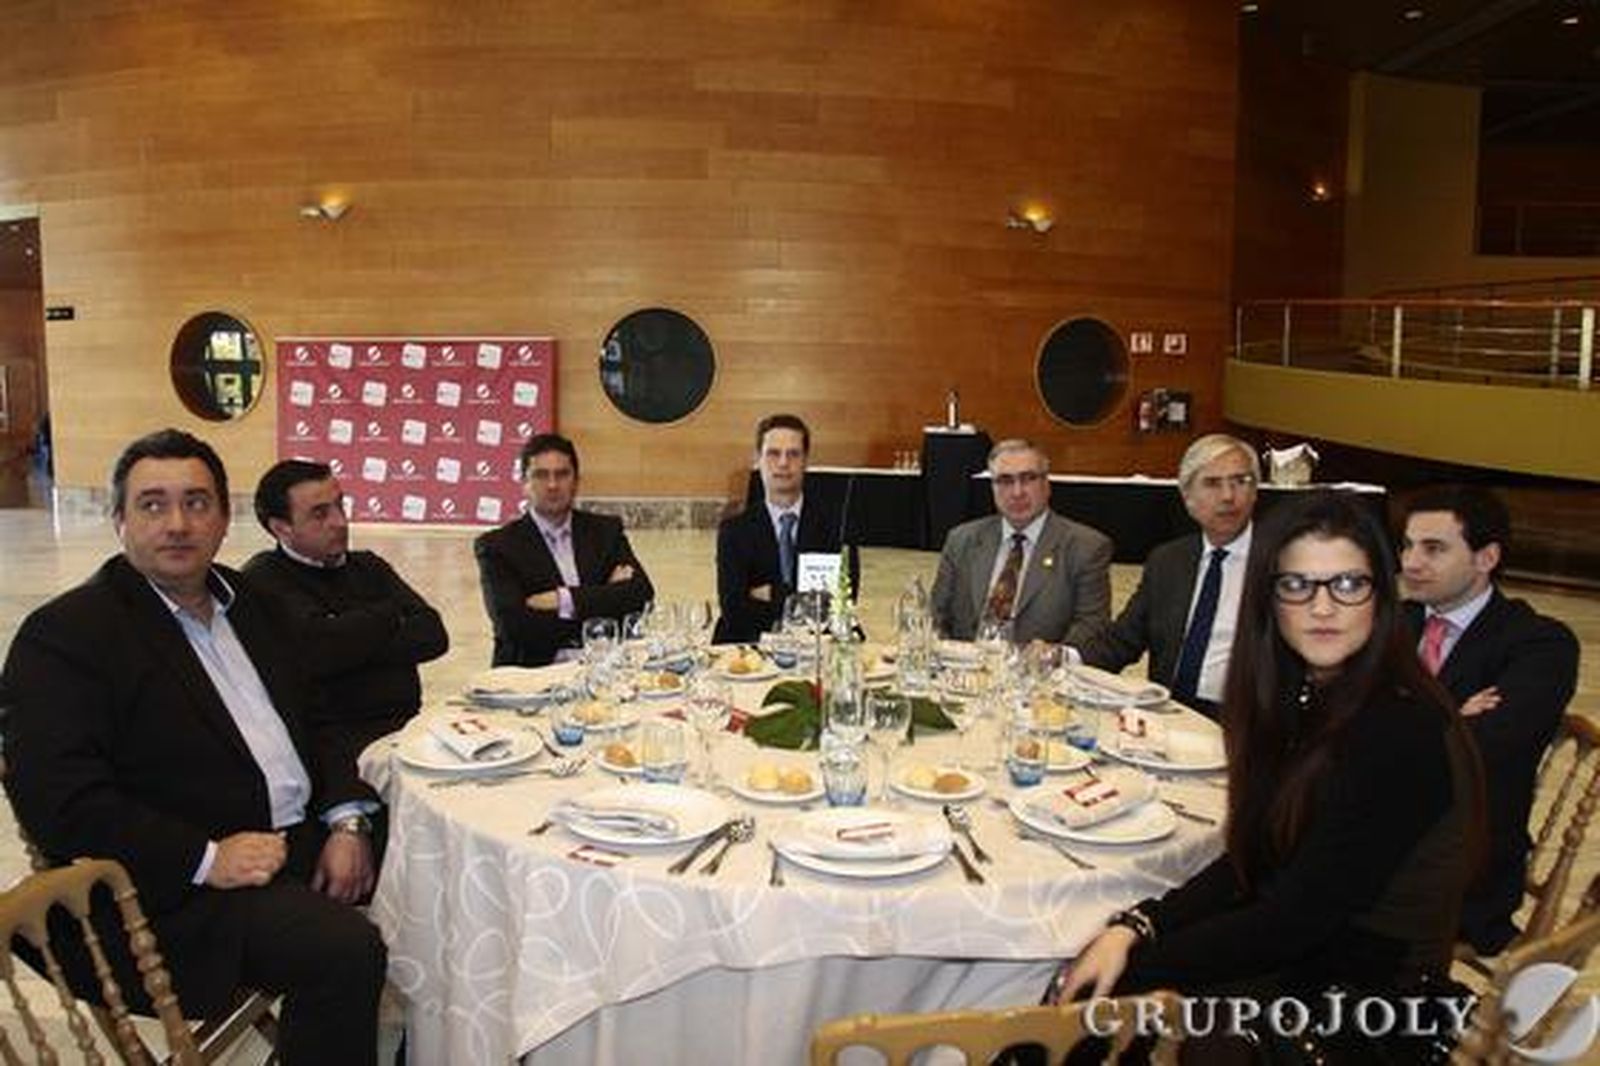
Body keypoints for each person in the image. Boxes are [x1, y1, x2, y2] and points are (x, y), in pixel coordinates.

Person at [0, 429, 387, 1066]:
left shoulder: (253, 602)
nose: (177, 523)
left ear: (222, 517)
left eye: (197, 503)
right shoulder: (67, 636)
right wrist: (207, 857)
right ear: (119, 519)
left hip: (298, 838)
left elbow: (321, 723)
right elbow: (60, 801)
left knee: (446, 852)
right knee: (343, 952)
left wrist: (347, 818)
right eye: (152, 504)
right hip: (175, 892)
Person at [1054, 491, 1482, 1059]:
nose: (1322, 608)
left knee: (1095, 999)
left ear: (1382, 595)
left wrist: (1139, 956)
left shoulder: (1399, 729)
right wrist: (1137, 925)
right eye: (1297, 585)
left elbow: (1290, 921)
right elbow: (1253, 858)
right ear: (1270, 599)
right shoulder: (1312, 697)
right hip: (1313, 953)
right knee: (1101, 971)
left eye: (1348, 584)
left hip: (1368, 1002)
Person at [1399, 484, 1579, 955]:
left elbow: (1481, 752)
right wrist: (1450, 717)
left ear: (1486, 557)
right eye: (1407, 545)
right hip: (1378, 829)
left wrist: (1396, 723)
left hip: (1463, 864)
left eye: (1433, 548)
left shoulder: (1540, 645)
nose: (1410, 562)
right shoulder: (1396, 622)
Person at [245, 458, 448, 774]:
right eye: (319, 514)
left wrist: (346, 634)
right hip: (332, 750)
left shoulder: (368, 565)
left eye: (340, 505)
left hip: (407, 731)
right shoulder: (265, 579)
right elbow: (320, 650)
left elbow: (433, 635)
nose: (339, 522)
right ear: (281, 528)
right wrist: (390, 614)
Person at [1077, 434, 1259, 718]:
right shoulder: (1168, 560)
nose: (1228, 496)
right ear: (1188, 497)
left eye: (1240, 481)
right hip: (1169, 715)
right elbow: (1120, 642)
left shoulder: (1282, 562)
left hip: (1247, 721)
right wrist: (1063, 662)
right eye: (1212, 483)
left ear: (1255, 491)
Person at [475, 432, 654, 666]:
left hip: (605, 669)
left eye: (562, 474)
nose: (552, 485)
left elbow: (641, 595)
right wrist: (604, 599)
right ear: (524, 484)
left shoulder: (606, 531)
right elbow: (515, 628)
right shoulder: (498, 546)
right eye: (541, 475)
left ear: (576, 481)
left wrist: (564, 600)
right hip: (533, 678)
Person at [930, 438, 1111, 646]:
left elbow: (1092, 626)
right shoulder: (961, 540)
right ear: (993, 488)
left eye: (1028, 478)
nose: (1017, 492)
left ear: (1046, 484)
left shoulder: (1086, 547)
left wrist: (1048, 661)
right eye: (1005, 481)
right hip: (964, 670)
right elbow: (936, 616)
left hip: (1042, 675)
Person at [712, 413, 859, 644]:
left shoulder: (835, 527)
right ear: (757, 460)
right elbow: (734, 611)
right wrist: (802, 598)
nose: (783, 463)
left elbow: (840, 605)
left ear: (805, 461)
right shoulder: (734, 531)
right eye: (773, 453)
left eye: (793, 454)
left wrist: (770, 593)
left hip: (819, 646)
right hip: (749, 646)